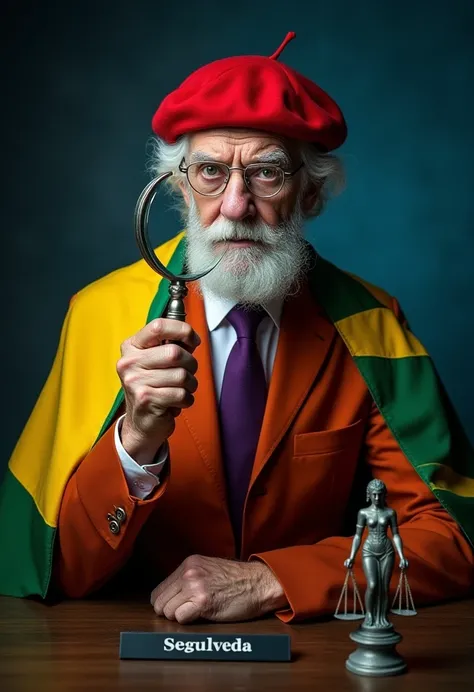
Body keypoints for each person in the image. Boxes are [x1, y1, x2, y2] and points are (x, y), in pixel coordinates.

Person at [1, 32, 473, 624]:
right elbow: (55, 568)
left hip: (313, 661)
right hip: (131, 646)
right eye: (209, 172)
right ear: (177, 186)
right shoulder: (101, 313)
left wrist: (274, 579)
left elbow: (455, 539)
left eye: (268, 173)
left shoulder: (371, 325)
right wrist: (136, 441)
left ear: (313, 191)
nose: (234, 204)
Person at [344, 479, 408, 628]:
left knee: (384, 587)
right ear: (369, 495)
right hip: (369, 550)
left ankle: (382, 617)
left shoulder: (390, 512)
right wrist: (351, 556)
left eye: (380, 495)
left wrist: (402, 556)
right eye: (374, 495)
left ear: (384, 495)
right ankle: (370, 614)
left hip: (387, 550)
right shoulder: (363, 513)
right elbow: (358, 536)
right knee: (372, 585)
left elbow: (396, 535)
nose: (377, 498)